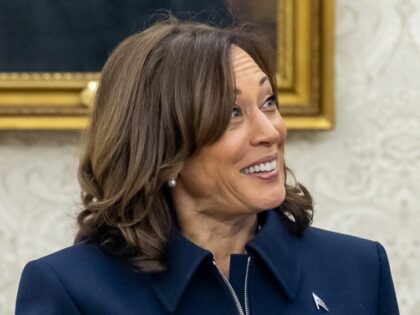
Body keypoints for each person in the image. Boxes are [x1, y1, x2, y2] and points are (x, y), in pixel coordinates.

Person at [15, 18, 399, 315]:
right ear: (164, 149)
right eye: (232, 113)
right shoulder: (72, 290)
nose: (270, 131)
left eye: (268, 102)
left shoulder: (359, 269)